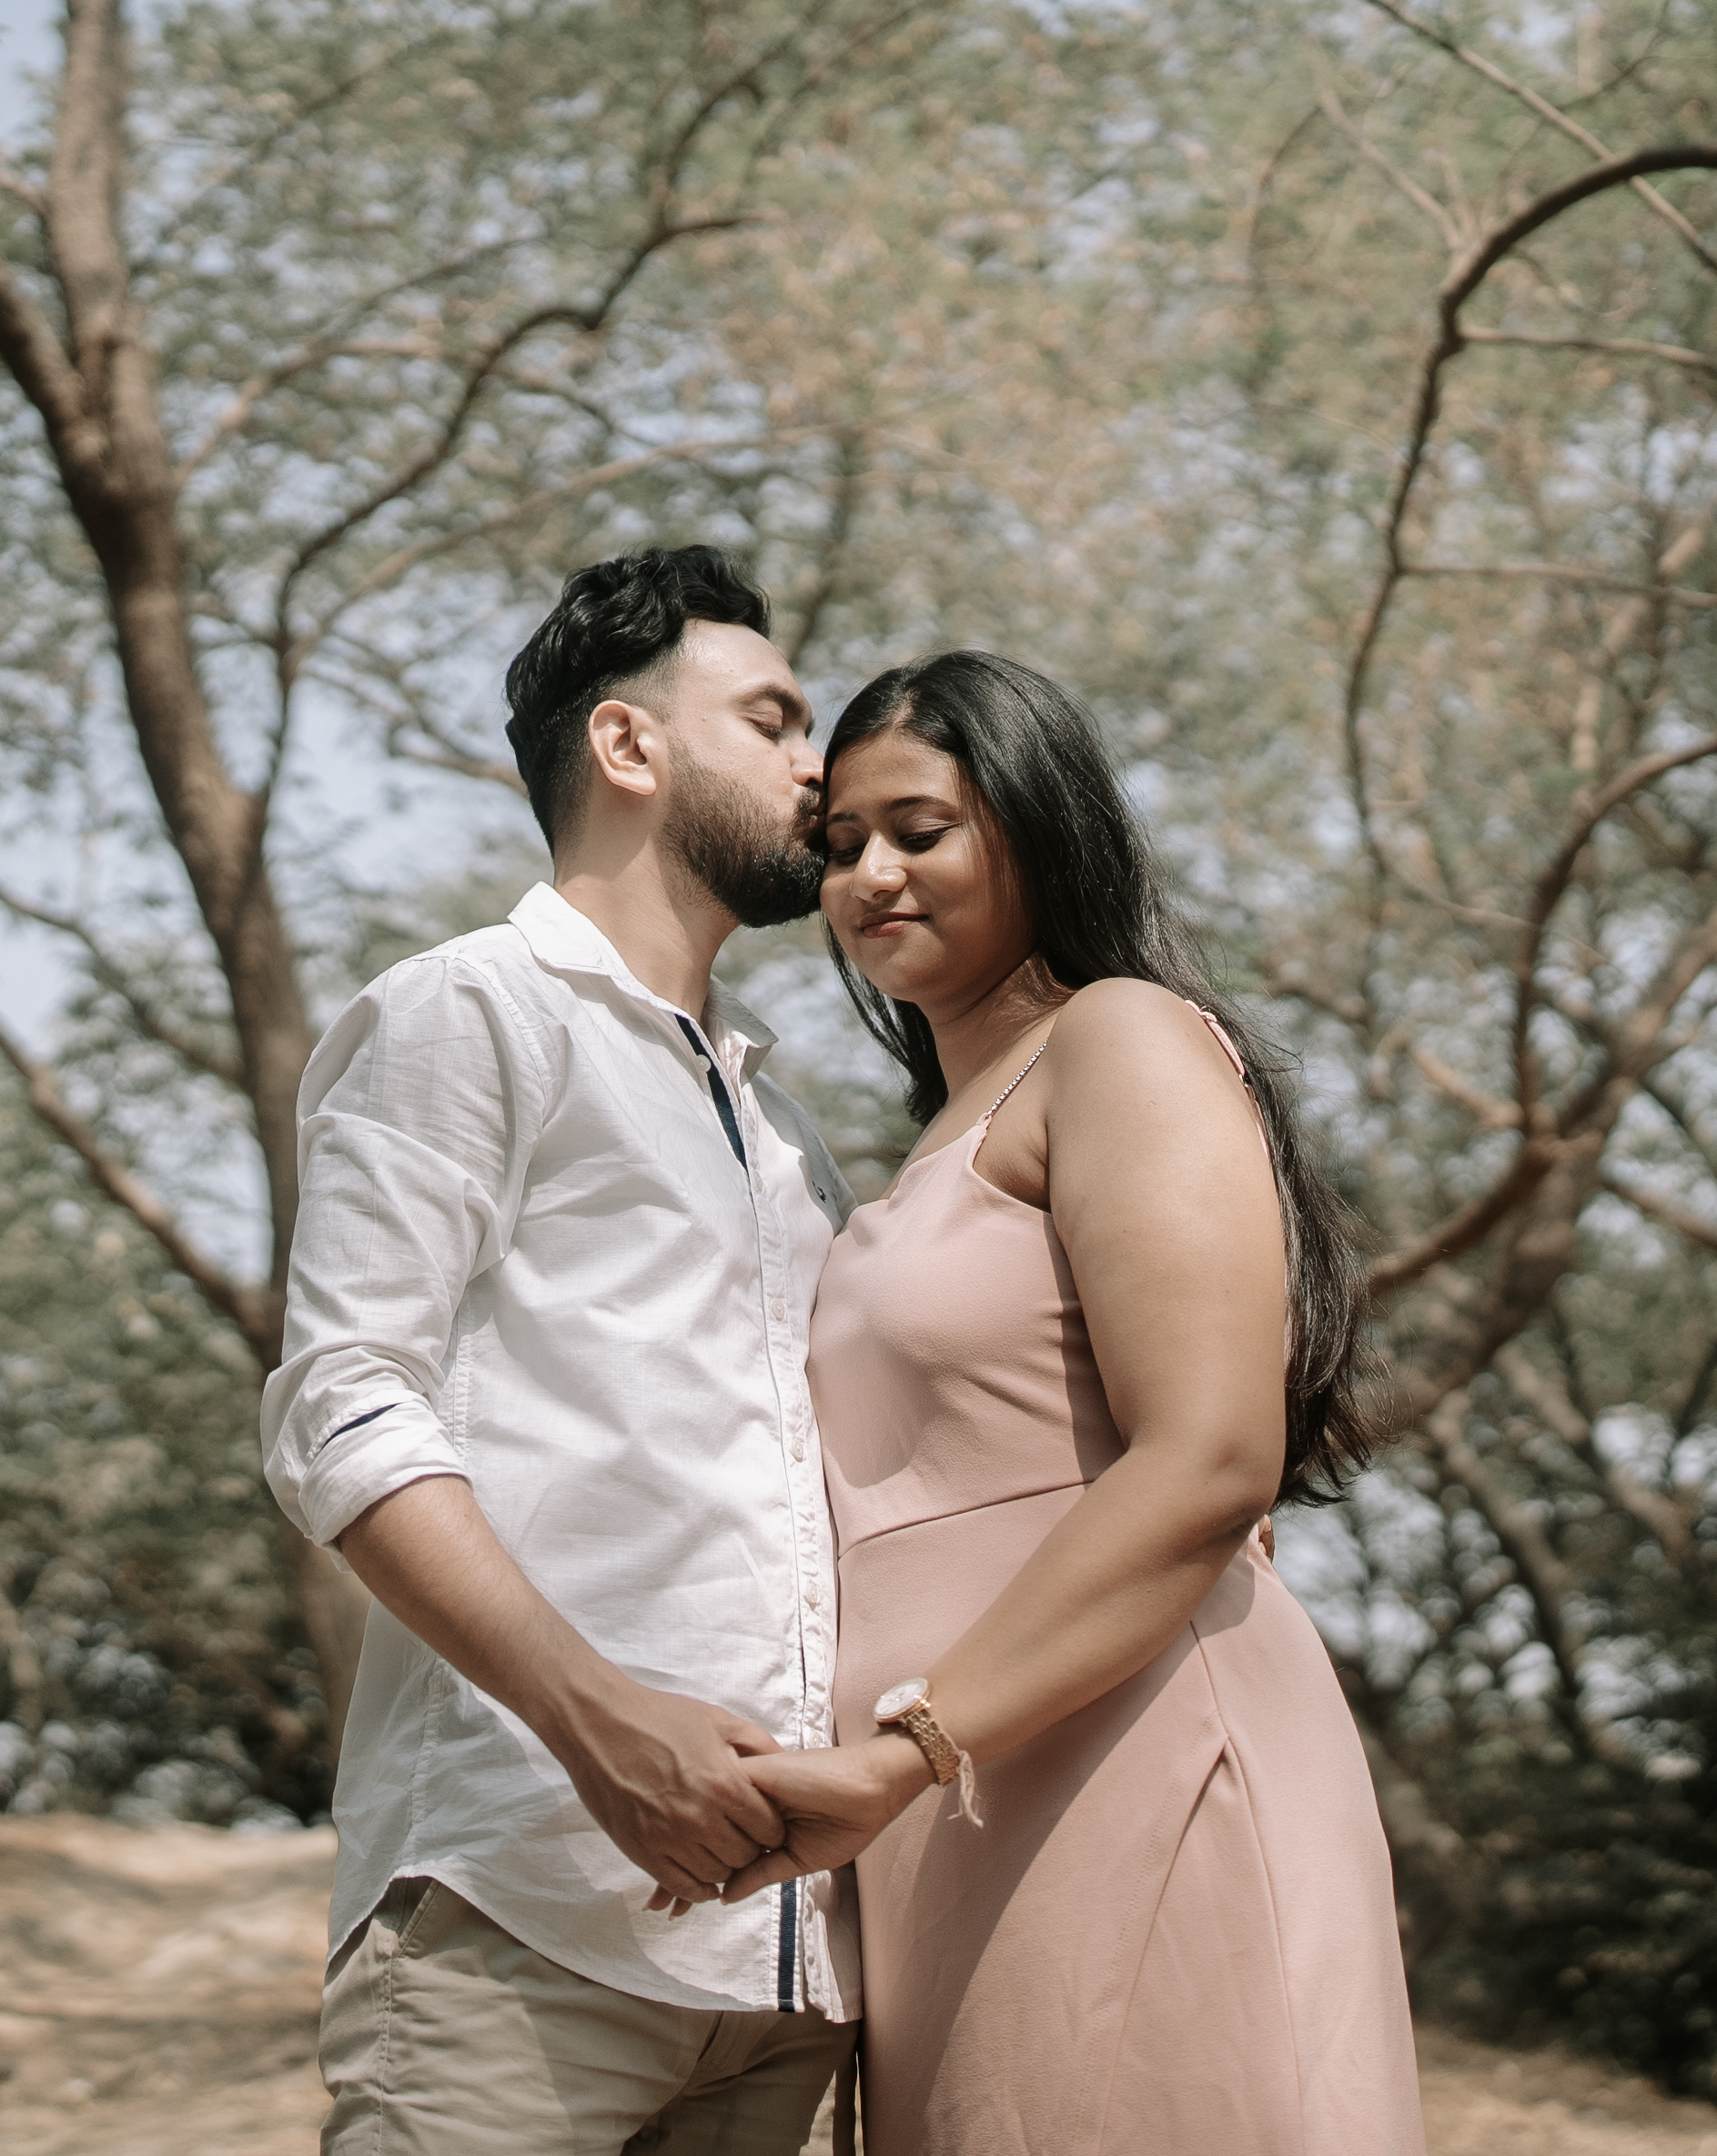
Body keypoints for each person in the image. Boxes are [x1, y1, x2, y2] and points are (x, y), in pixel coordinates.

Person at [698, 649, 1427, 2155]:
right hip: (945, 1818)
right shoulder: (936, 1141)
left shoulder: (1120, 1041)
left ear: (1038, 826)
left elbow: (1213, 1459)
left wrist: (908, 1756)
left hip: (1113, 1748)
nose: (869, 875)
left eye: (920, 829)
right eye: (840, 848)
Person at [259, 546, 863, 2155]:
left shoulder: (793, 1134)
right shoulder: (470, 1012)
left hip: (793, 1977)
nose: (823, 768)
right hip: (520, 1927)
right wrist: (601, 1722)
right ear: (628, 746)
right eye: (778, 720)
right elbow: (340, 1409)